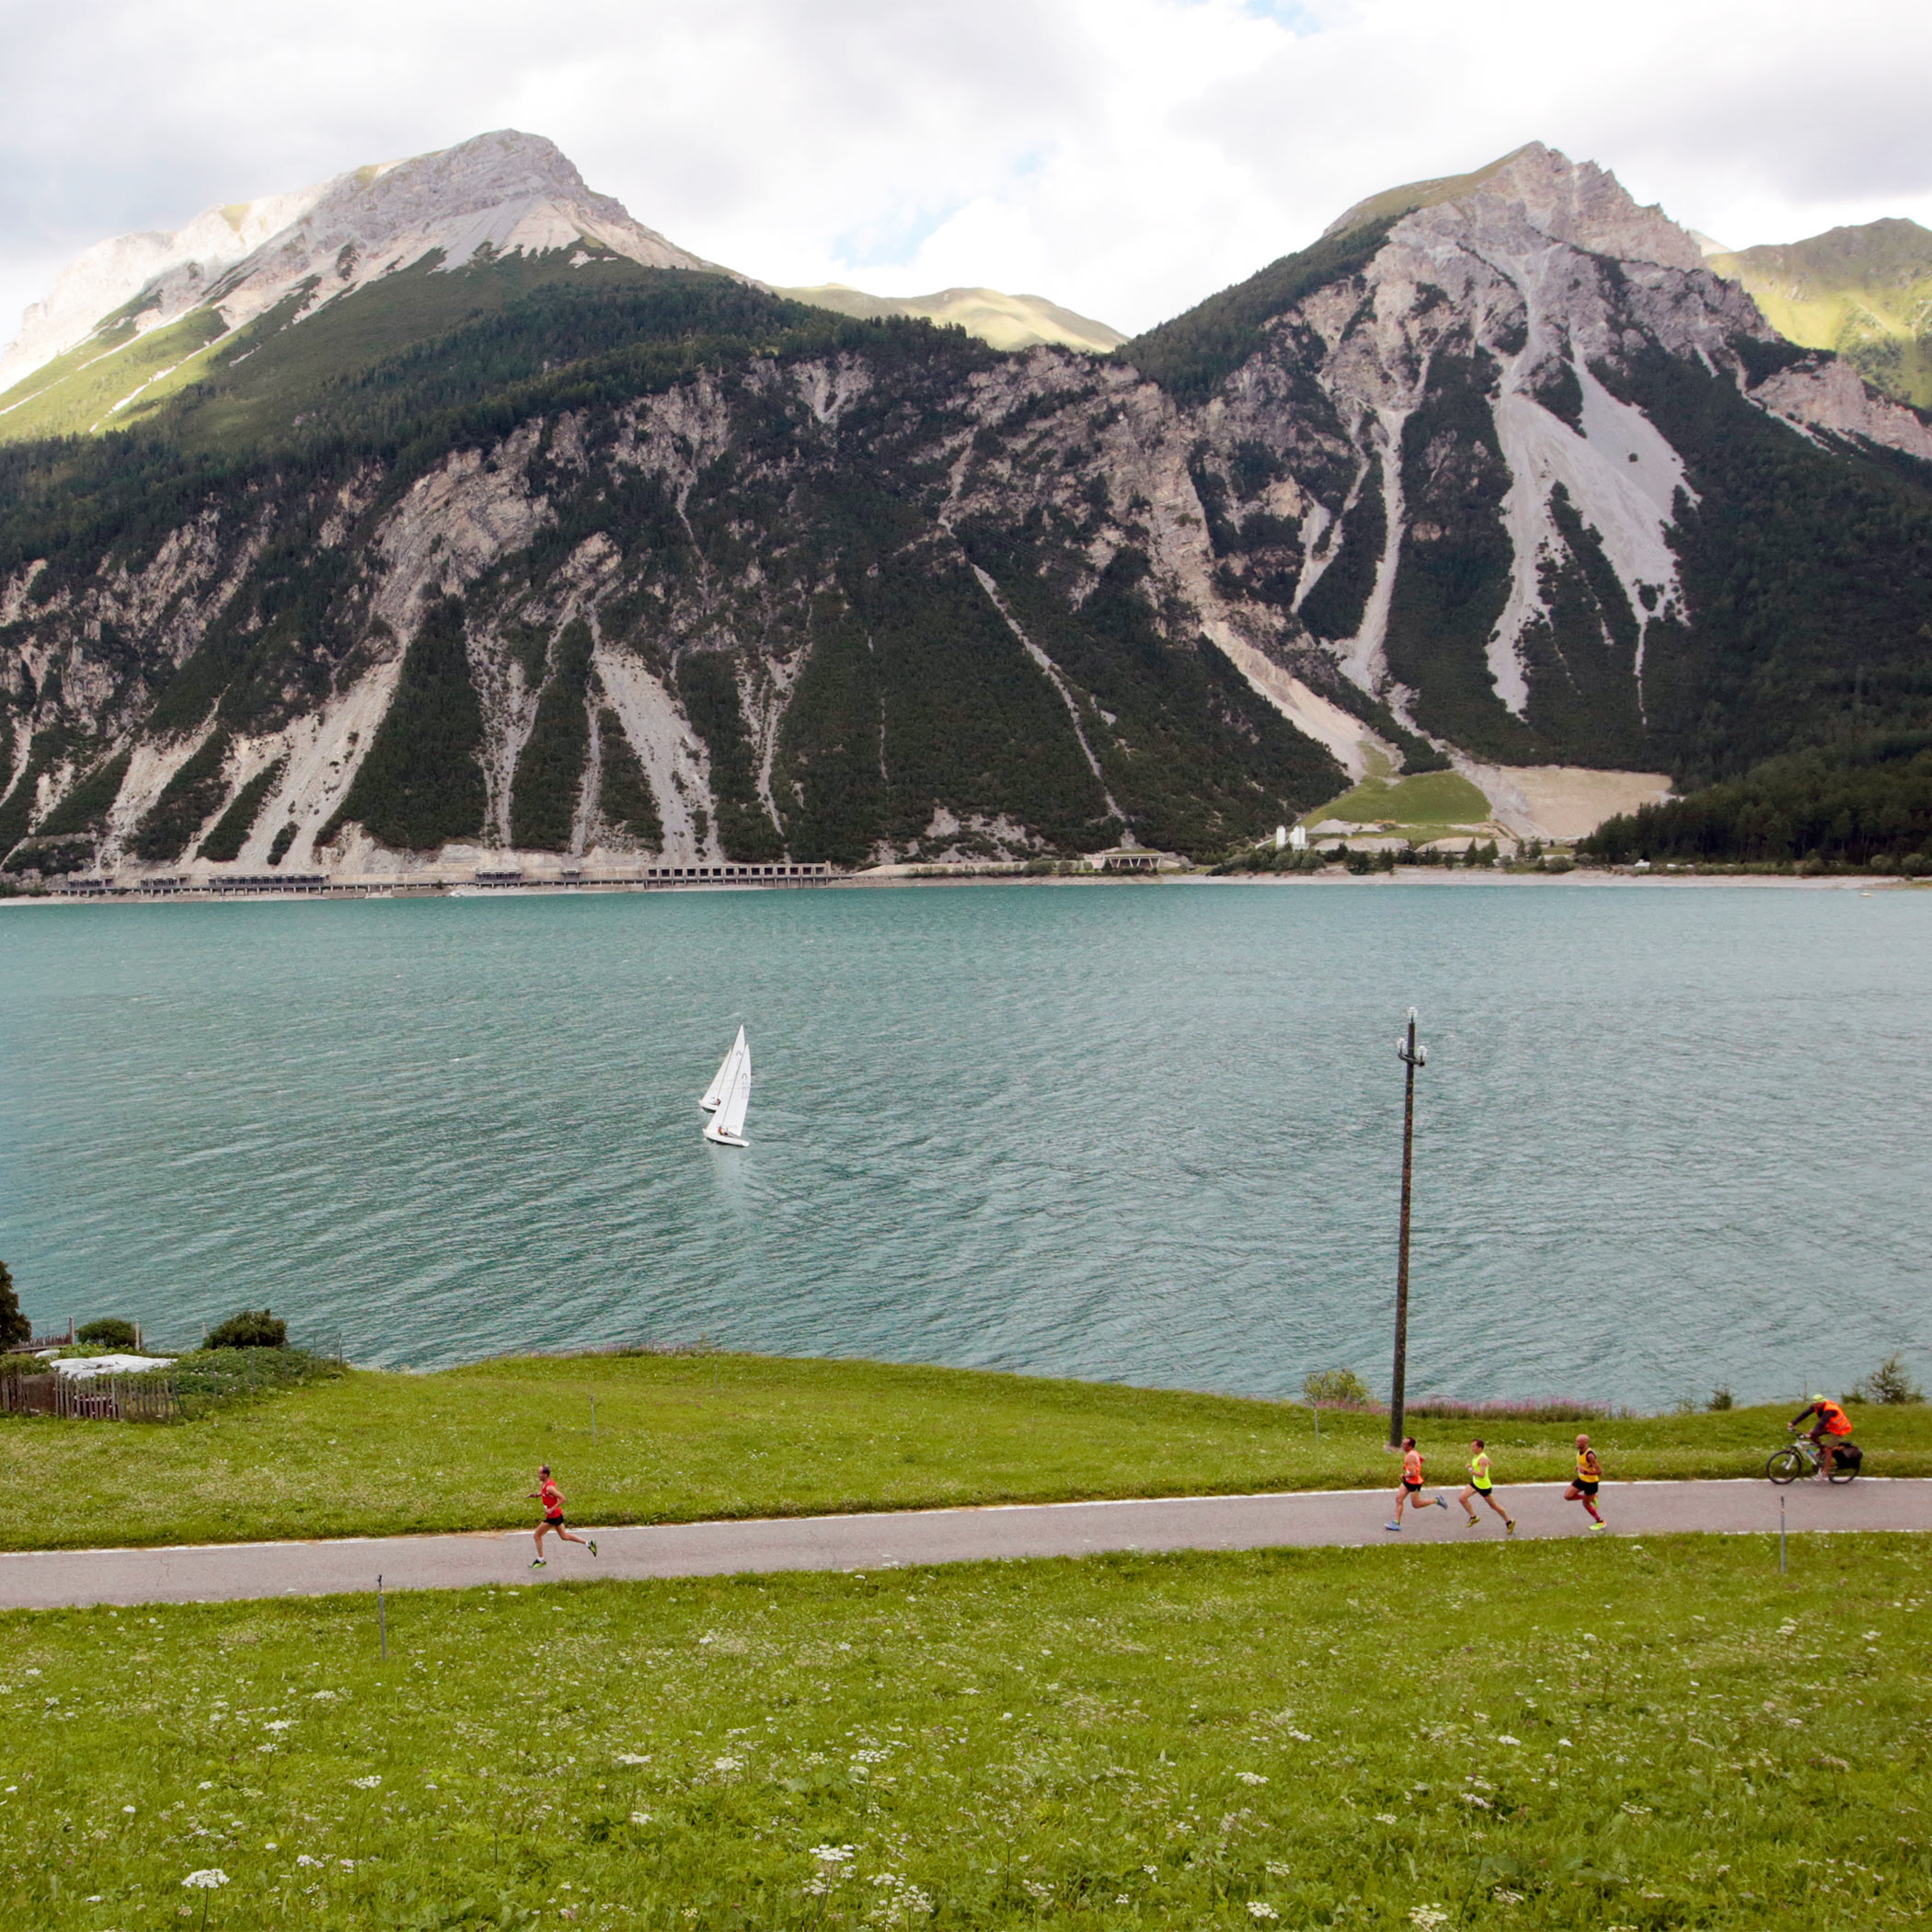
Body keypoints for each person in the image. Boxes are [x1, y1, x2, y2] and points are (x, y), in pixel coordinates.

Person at [528, 1464, 597, 1568]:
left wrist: (551, 1509)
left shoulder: (550, 1487)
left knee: (537, 1536)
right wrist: (537, 1495)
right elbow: (547, 1494)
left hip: (553, 1517)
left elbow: (563, 1498)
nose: (538, 1475)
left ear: (545, 1474)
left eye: (540, 1473)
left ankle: (541, 1560)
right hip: (557, 1515)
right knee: (564, 1536)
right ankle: (588, 1543)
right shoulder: (546, 1484)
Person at [1385, 1436, 1450, 1530]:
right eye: (1402, 1443)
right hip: (1408, 1481)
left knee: (1416, 1504)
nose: (1402, 1445)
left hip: (1414, 1483)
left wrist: (1404, 1475)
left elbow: (1413, 1474)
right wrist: (1416, 1465)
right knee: (1399, 1499)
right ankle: (1396, 1523)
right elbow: (1422, 1459)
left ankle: (1437, 1500)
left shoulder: (1410, 1457)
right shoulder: (1413, 1452)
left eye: (1404, 1444)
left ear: (1410, 1446)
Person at [1789, 1394, 1859, 1477]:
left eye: (1816, 1404)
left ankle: (1825, 1471)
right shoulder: (1816, 1406)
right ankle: (1822, 1452)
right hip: (1830, 1426)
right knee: (1813, 1435)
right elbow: (1805, 1414)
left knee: (1828, 1449)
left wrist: (1812, 1433)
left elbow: (1821, 1423)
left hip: (1839, 1429)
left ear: (1822, 1403)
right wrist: (1793, 1423)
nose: (1814, 1405)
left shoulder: (1829, 1409)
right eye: (1813, 1403)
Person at [1458, 1437, 1514, 1535]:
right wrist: (1488, 1464)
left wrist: (1470, 1469)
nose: (1472, 1448)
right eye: (1471, 1446)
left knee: (1494, 1506)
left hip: (1484, 1486)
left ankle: (1509, 1521)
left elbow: (1482, 1474)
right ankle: (1473, 1517)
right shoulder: (1479, 1456)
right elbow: (1490, 1463)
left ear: (1480, 1448)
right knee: (1462, 1498)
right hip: (1476, 1483)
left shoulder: (1482, 1458)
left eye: (1474, 1446)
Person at [1564, 1434, 1607, 1529]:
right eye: (1576, 1441)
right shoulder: (1580, 1451)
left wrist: (1587, 1472)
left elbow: (1599, 1472)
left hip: (1591, 1483)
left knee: (1585, 1504)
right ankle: (1592, 1497)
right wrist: (1579, 1468)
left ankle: (1600, 1522)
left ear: (1585, 1443)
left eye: (1579, 1442)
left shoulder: (1590, 1455)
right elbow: (1583, 1464)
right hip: (1581, 1479)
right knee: (1568, 1496)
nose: (1577, 1443)